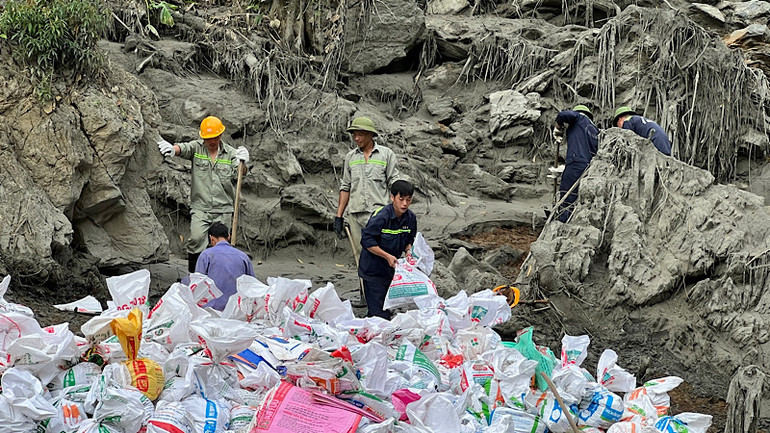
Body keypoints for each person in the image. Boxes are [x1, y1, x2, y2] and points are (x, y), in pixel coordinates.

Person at [158, 116, 249, 272]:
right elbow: (184, 148)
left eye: (214, 137)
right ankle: (195, 276)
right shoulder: (197, 148)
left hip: (223, 209)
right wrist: (173, 149)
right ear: (203, 137)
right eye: (208, 138)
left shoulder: (231, 154)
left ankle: (219, 275)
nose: (211, 141)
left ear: (220, 135)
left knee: (221, 245)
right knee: (196, 239)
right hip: (201, 207)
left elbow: (240, 174)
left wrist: (244, 163)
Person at [334, 117, 400, 259]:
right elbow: (345, 187)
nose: (356, 138)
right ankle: (363, 282)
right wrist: (338, 217)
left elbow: (394, 184)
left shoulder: (386, 155)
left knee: (381, 255)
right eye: (354, 135)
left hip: (379, 215)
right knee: (360, 256)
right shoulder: (350, 158)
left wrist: (397, 213)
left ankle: (382, 281)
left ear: (370, 134)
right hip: (356, 215)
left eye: (360, 135)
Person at [358, 180, 417, 320]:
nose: (404, 204)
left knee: (388, 307)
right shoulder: (381, 216)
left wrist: (409, 252)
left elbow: (409, 239)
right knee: (379, 314)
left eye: (408, 200)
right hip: (373, 270)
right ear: (392, 198)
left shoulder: (411, 218)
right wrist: (387, 256)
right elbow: (367, 241)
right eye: (401, 199)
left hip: (392, 271)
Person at [553, 104, 599, 223]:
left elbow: (562, 115)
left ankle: (562, 223)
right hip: (590, 167)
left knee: (566, 196)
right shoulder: (595, 129)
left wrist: (558, 127)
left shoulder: (579, 118)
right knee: (580, 198)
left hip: (575, 162)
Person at [195, 222, 255, 311]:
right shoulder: (243, 256)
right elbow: (252, 285)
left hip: (210, 311)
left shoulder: (206, 255)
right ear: (229, 236)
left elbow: (197, 285)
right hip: (237, 310)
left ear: (211, 238)